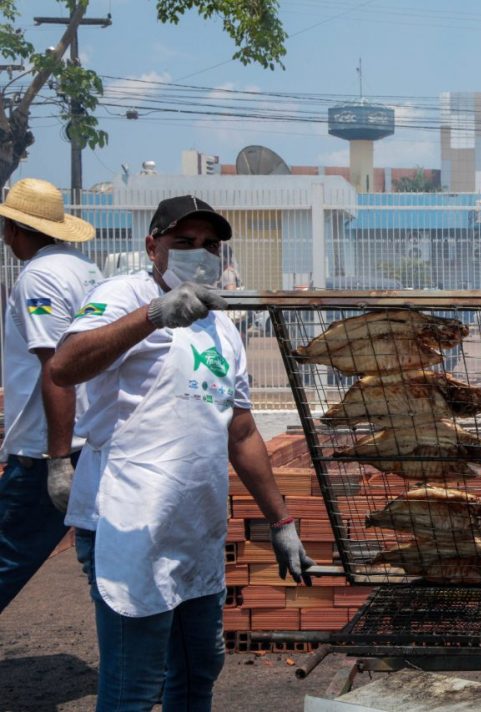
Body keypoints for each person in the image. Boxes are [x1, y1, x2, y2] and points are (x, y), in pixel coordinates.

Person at [49, 195, 315, 711]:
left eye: (210, 245)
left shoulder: (221, 327)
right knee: (134, 684)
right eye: (184, 241)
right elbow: (65, 365)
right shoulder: (123, 294)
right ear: (153, 246)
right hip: (128, 523)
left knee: (198, 670)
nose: (200, 253)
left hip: (193, 526)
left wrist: (280, 521)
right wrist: (152, 316)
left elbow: (241, 431)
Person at [0, 178, 102, 613]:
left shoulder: (39, 278)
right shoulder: (84, 268)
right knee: (101, 558)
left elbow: (56, 368)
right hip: (91, 437)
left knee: (7, 554)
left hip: (48, 445)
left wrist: (57, 461)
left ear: (13, 229)